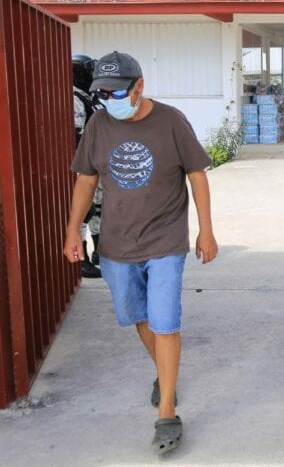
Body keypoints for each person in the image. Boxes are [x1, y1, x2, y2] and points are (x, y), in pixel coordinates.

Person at [62, 51, 218, 453]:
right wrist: (73, 230)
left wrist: (206, 230)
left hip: (165, 240)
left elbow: (197, 175)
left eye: (118, 92)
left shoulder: (171, 121)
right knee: (139, 317)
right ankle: (162, 374)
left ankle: (166, 411)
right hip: (116, 244)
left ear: (139, 86)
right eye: (105, 92)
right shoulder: (98, 124)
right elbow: (85, 180)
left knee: (165, 321)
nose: (111, 100)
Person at [72, 54, 104, 279]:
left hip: (97, 163)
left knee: (100, 209)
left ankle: (99, 252)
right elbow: (77, 135)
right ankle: (82, 260)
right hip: (86, 166)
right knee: (86, 210)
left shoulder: (89, 97)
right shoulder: (75, 98)